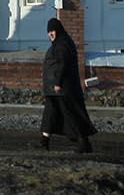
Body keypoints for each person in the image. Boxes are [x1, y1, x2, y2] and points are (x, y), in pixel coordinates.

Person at [40, 17, 95, 153]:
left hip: (62, 88)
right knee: (51, 114)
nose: (50, 34)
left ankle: (84, 143)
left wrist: (58, 83)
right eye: (49, 32)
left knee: (70, 115)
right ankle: (43, 141)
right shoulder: (60, 43)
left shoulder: (62, 43)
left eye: (52, 31)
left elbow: (63, 64)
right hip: (56, 89)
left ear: (57, 31)